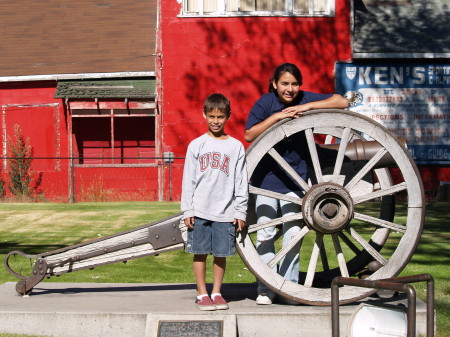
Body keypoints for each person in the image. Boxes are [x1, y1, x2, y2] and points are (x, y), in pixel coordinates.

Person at [244, 63, 349, 305]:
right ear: (274, 84)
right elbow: (249, 135)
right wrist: (277, 117)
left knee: (293, 237)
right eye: (284, 84)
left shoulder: (303, 98)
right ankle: (266, 287)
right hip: (266, 181)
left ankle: (289, 287)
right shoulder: (265, 103)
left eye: (294, 84)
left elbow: (341, 102)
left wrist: (309, 107)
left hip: (296, 181)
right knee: (265, 236)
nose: (289, 89)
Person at [181, 93, 249, 311]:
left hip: (225, 211)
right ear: (204, 115)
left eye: (220, 116)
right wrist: (188, 209)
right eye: (212, 116)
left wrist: (240, 211)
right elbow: (188, 180)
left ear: (228, 116)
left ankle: (217, 292)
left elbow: (241, 181)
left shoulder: (236, 147)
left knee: (221, 254)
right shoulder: (196, 145)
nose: (216, 121)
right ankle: (202, 293)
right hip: (200, 210)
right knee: (199, 252)